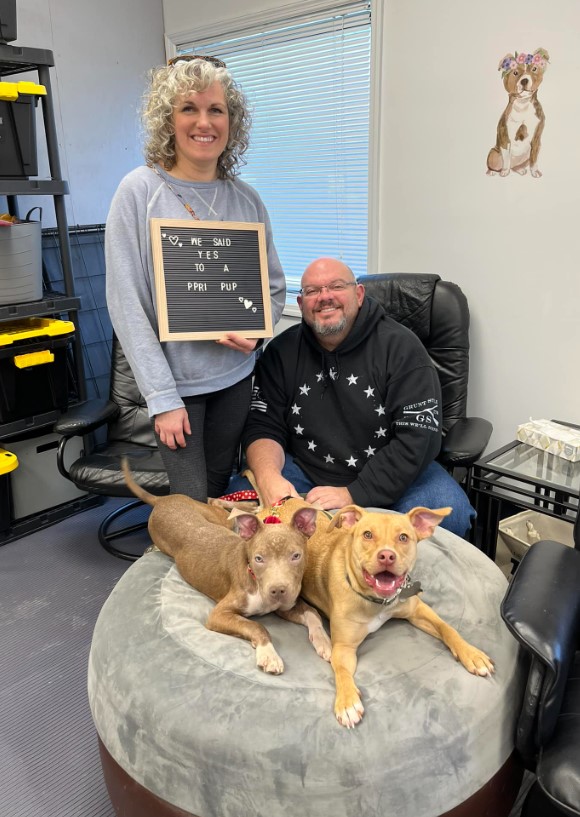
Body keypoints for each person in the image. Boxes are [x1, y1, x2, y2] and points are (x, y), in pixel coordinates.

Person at [105, 55, 286, 501]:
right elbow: (126, 302)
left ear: (231, 121)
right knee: (189, 508)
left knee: (220, 496)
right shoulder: (140, 191)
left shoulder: (246, 200)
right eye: (189, 108)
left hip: (235, 381)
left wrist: (256, 334)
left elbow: (275, 288)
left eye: (216, 110)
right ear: (168, 118)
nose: (204, 122)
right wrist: (162, 397)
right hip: (177, 389)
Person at [229, 257, 475, 537]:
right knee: (241, 507)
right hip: (307, 471)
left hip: (393, 476)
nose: (325, 298)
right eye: (312, 291)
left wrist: (354, 493)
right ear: (301, 305)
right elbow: (263, 424)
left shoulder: (403, 349)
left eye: (336, 286)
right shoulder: (281, 351)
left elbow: (419, 438)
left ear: (358, 295)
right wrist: (268, 478)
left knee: (448, 515)